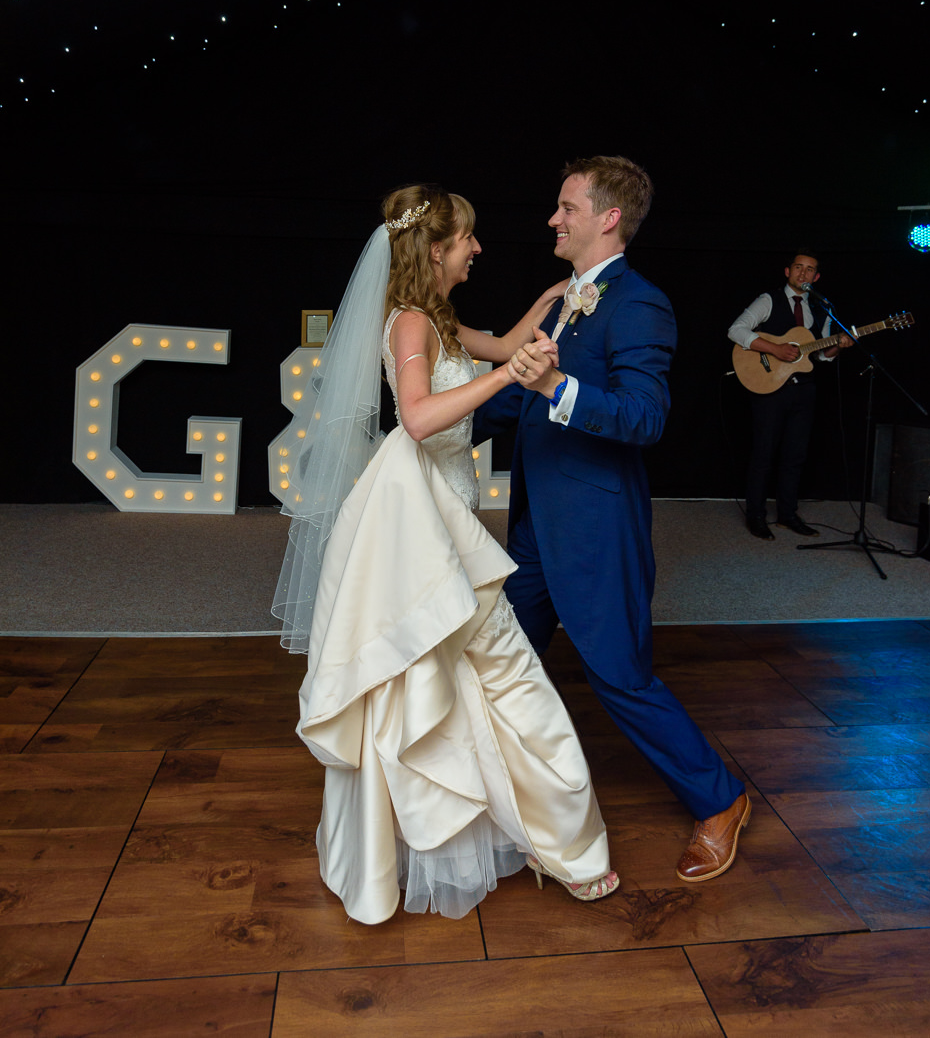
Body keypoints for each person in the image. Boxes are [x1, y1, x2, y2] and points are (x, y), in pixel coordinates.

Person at [271, 184, 617, 924]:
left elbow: (497, 342)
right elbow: (421, 418)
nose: (477, 248)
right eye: (468, 238)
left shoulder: (439, 317)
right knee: (510, 674)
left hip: (451, 516)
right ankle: (571, 846)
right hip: (427, 526)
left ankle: (475, 829)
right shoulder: (408, 324)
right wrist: (509, 377)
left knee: (452, 678)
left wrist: (557, 300)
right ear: (436, 249)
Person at [476, 157, 751, 886]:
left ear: (607, 218)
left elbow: (645, 417)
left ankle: (719, 799)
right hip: (536, 524)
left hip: (596, 528)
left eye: (566, 207)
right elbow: (519, 394)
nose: (552, 219)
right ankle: (502, 802)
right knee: (505, 659)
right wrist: (438, 417)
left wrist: (557, 384)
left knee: (619, 676)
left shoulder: (639, 303)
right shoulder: (562, 297)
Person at [728, 252, 851, 541]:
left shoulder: (822, 309)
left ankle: (787, 515)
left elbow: (821, 354)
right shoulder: (768, 300)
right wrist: (774, 349)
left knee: (795, 456)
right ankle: (756, 516)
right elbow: (736, 330)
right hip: (769, 388)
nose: (804, 274)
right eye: (799, 267)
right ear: (787, 271)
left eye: (810, 270)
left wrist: (841, 346)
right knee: (763, 454)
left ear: (816, 278)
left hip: (803, 390)